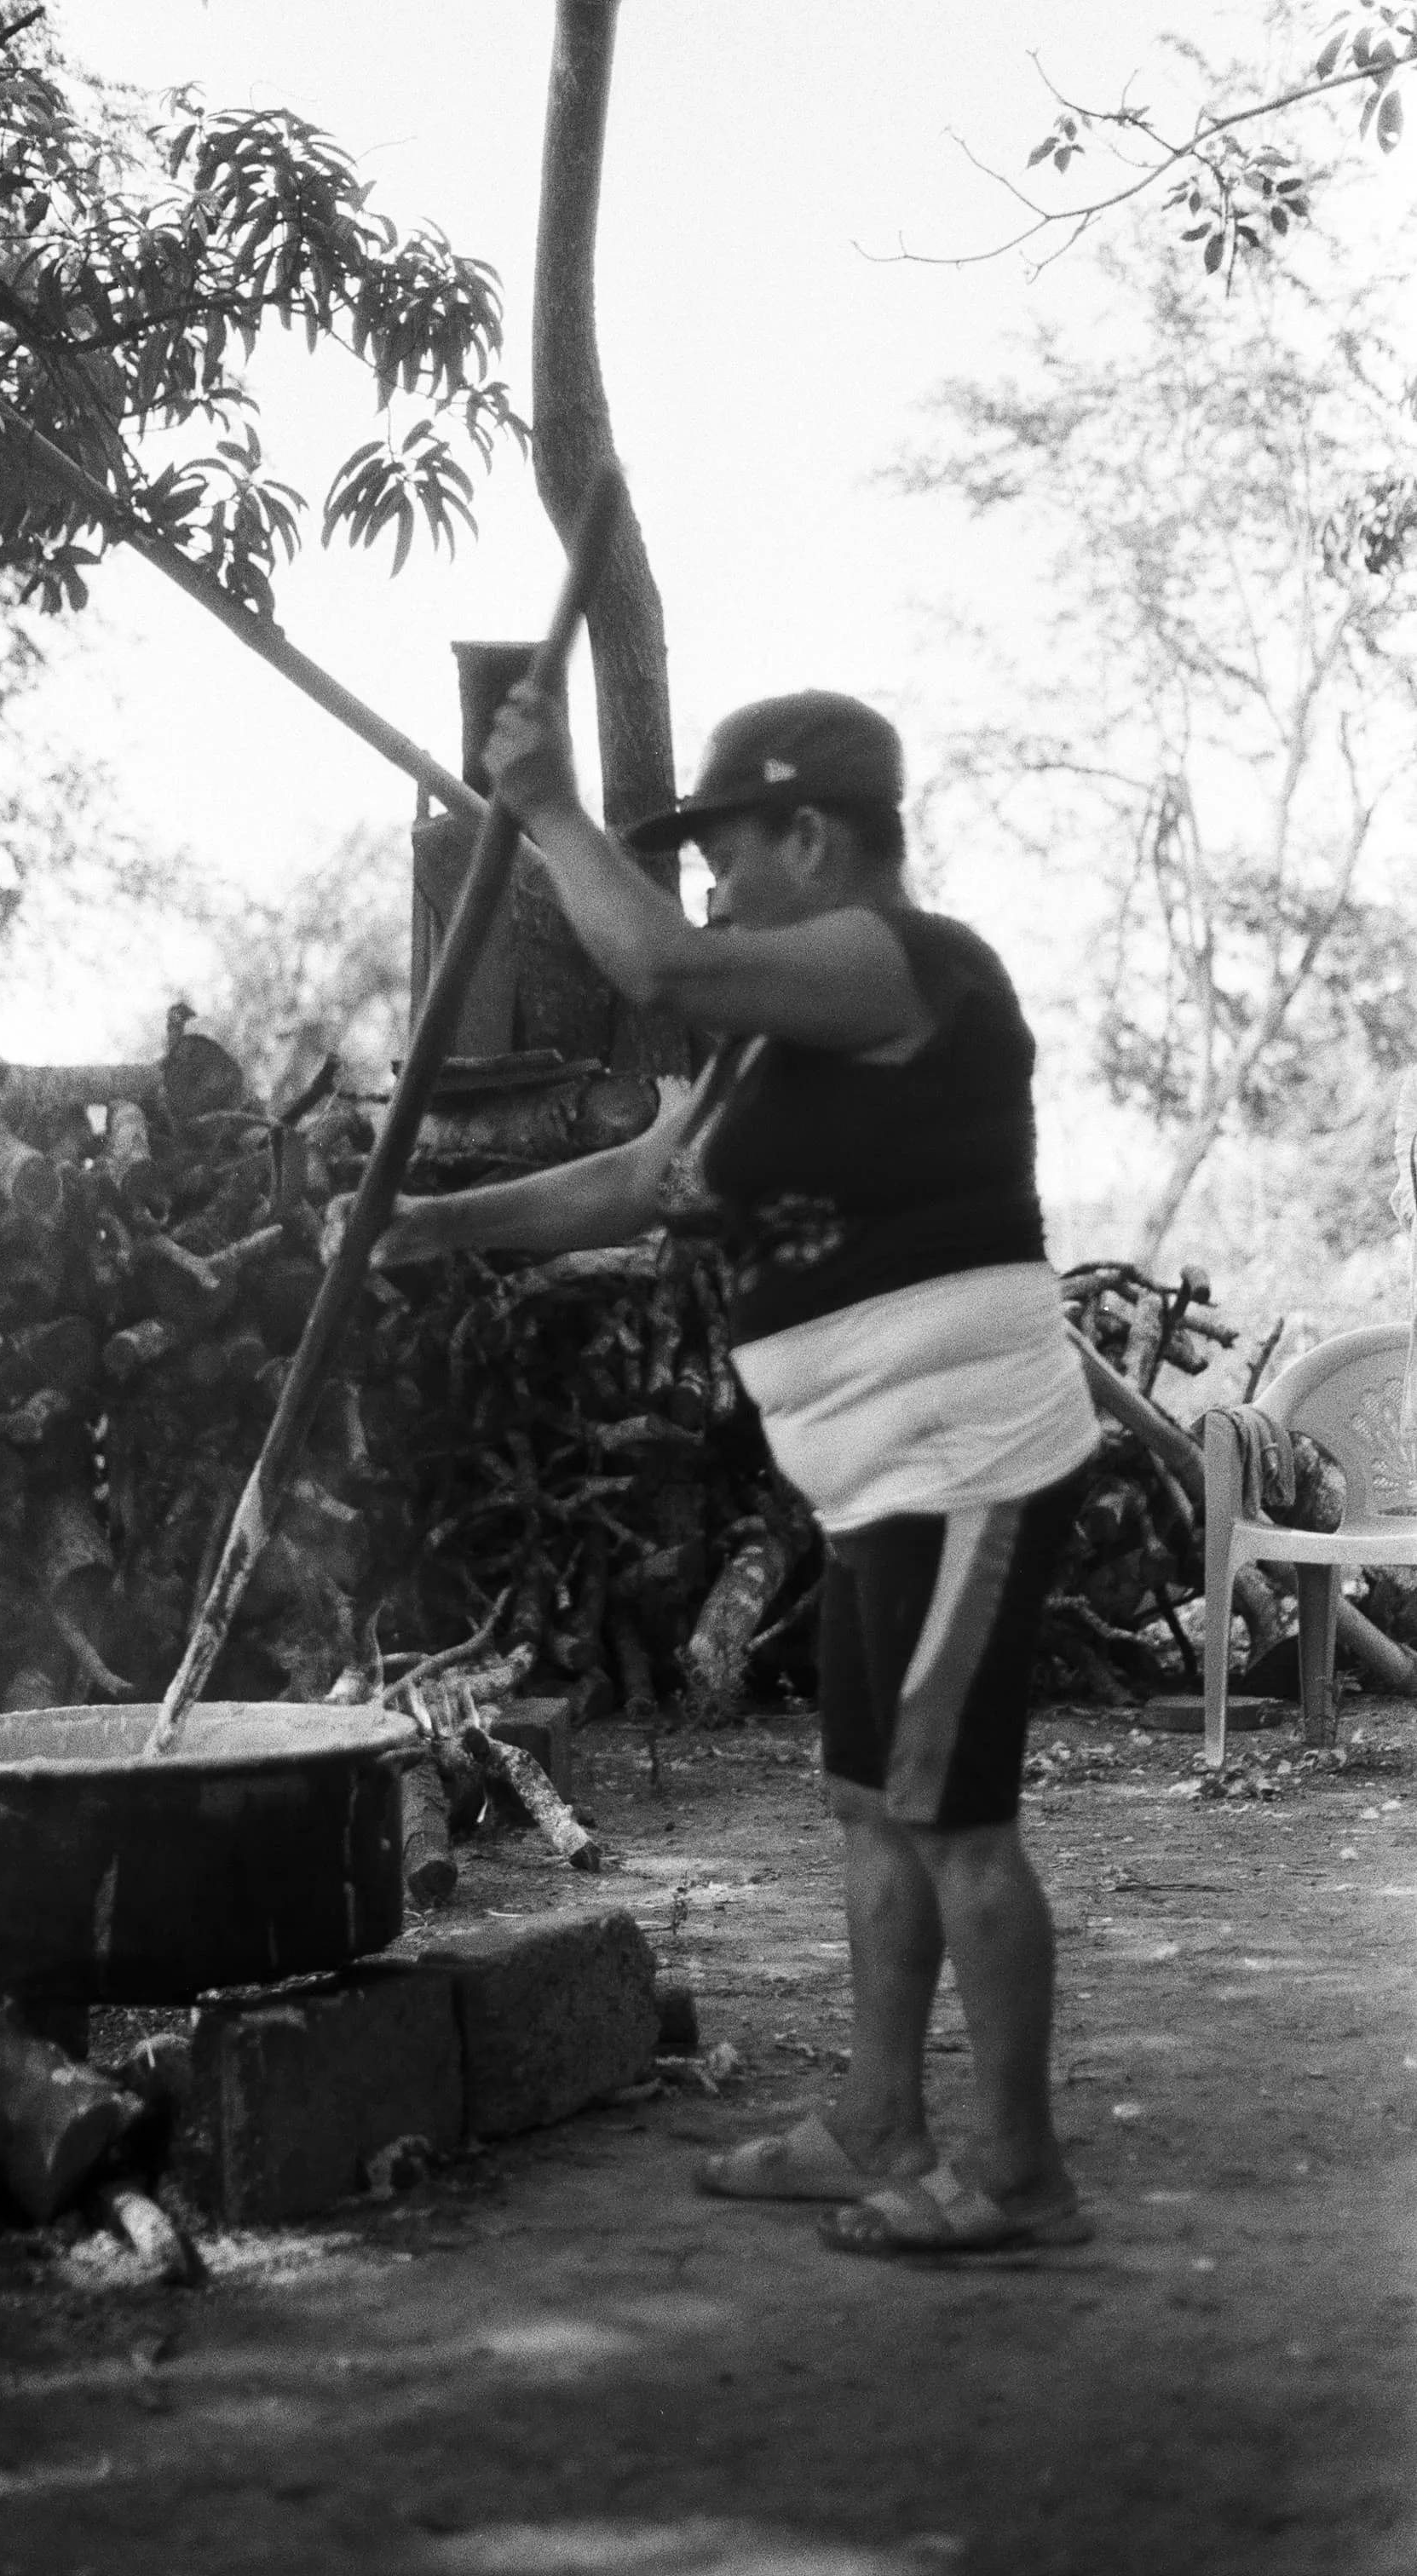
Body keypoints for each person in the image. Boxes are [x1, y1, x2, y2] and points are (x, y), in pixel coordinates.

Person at [363, 683, 1101, 2257]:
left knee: (953, 1818)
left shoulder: (906, 961)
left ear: (814, 834)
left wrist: (549, 805)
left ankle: (1023, 2170)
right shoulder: (774, 1048)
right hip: (872, 1483)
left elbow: (660, 960)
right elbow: (641, 1179)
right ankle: (881, 2121)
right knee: (867, 1806)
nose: (708, 881)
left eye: (725, 845)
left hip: (966, 1460)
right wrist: (431, 1225)